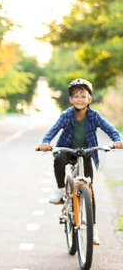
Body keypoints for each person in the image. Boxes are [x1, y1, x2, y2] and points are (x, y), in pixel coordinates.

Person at [38, 78, 123, 244]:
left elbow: (110, 129)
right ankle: (61, 190)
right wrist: (46, 142)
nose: (79, 99)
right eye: (75, 96)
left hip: (86, 153)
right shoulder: (66, 116)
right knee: (59, 159)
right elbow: (53, 130)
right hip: (67, 150)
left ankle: (93, 228)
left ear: (89, 99)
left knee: (89, 191)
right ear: (70, 99)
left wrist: (117, 140)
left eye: (83, 96)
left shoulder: (94, 116)